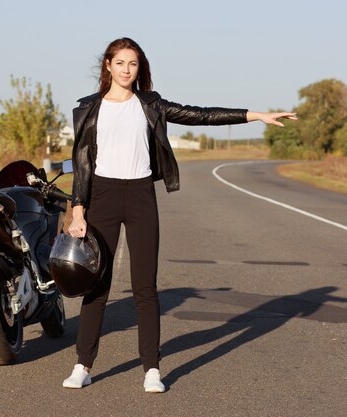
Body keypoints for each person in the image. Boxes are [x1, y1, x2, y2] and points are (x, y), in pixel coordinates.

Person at [63, 37, 297, 393]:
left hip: (141, 195)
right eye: (121, 63)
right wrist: (78, 210)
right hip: (103, 197)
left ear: (139, 69)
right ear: (107, 66)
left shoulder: (151, 105)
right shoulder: (87, 109)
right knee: (97, 285)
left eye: (134, 64)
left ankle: (151, 370)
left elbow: (200, 115)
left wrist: (255, 115)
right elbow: (82, 164)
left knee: (145, 287)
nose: (128, 70)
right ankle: (83, 364)